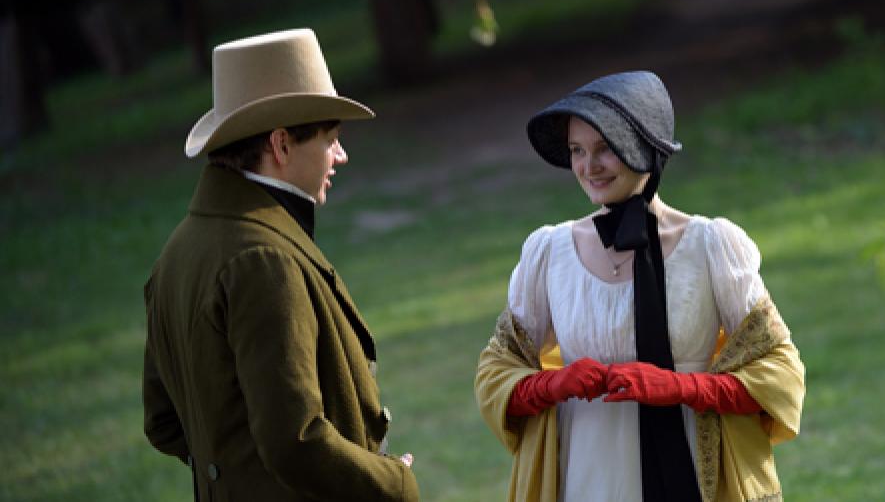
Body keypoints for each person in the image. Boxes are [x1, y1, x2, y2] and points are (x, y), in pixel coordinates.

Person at [475, 71, 805, 501]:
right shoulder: (547, 253)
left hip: (690, 466)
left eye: (604, 149)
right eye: (577, 150)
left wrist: (679, 388)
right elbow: (496, 374)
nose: (588, 166)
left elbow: (780, 373)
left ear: (646, 149)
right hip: (586, 473)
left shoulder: (713, 246)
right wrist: (554, 385)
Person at [142, 28, 419, 501]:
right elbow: (296, 441)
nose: (341, 155)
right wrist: (395, 483)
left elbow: (164, 423)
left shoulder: (177, 252)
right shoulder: (263, 261)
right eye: (331, 139)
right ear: (281, 145)